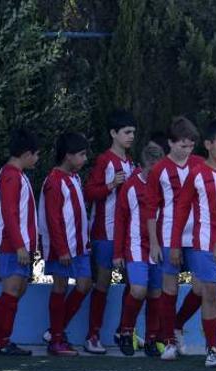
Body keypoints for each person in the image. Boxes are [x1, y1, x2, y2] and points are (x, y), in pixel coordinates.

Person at [170, 120, 216, 368]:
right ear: (208, 145)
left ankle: (205, 330)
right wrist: (176, 243)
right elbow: (181, 209)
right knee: (209, 291)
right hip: (203, 244)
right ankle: (213, 348)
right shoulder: (196, 174)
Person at [0, 129, 40, 356]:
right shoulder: (11, 175)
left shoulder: (14, 174)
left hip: (15, 243)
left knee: (16, 290)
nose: (37, 159)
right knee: (12, 291)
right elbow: (10, 213)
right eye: (36, 154)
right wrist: (20, 245)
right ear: (27, 153)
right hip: (11, 244)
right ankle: (2, 342)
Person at [148, 116, 204, 360]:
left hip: (197, 237)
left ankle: (177, 325)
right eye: (182, 145)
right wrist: (153, 242)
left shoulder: (200, 164)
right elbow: (150, 209)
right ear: (170, 143)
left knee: (201, 287)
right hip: (168, 235)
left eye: (191, 145)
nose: (187, 150)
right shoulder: (159, 169)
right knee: (168, 288)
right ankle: (169, 341)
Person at [84, 110, 137, 354]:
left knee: (135, 282)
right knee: (103, 282)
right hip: (104, 232)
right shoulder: (105, 161)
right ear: (113, 134)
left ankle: (124, 330)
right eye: (126, 132)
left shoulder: (131, 162)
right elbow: (90, 192)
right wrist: (110, 185)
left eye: (133, 132)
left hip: (127, 233)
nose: (131, 137)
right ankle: (92, 335)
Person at [39, 132, 93, 357]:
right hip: (61, 248)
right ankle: (57, 341)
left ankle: (55, 331)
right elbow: (53, 219)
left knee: (84, 285)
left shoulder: (74, 177)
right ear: (68, 156)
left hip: (79, 246)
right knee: (60, 286)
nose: (85, 159)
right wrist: (61, 249)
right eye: (81, 154)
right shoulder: (54, 181)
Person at [113, 141, 164, 357]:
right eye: (151, 170)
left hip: (159, 247)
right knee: (138, 290)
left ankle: (153, 338)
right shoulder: (131, 187)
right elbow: (120, 219)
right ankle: (126, 332)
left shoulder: (165, 186)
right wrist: (117, 253)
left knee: (155, 293)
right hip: (136, 247)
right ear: (143, 167)